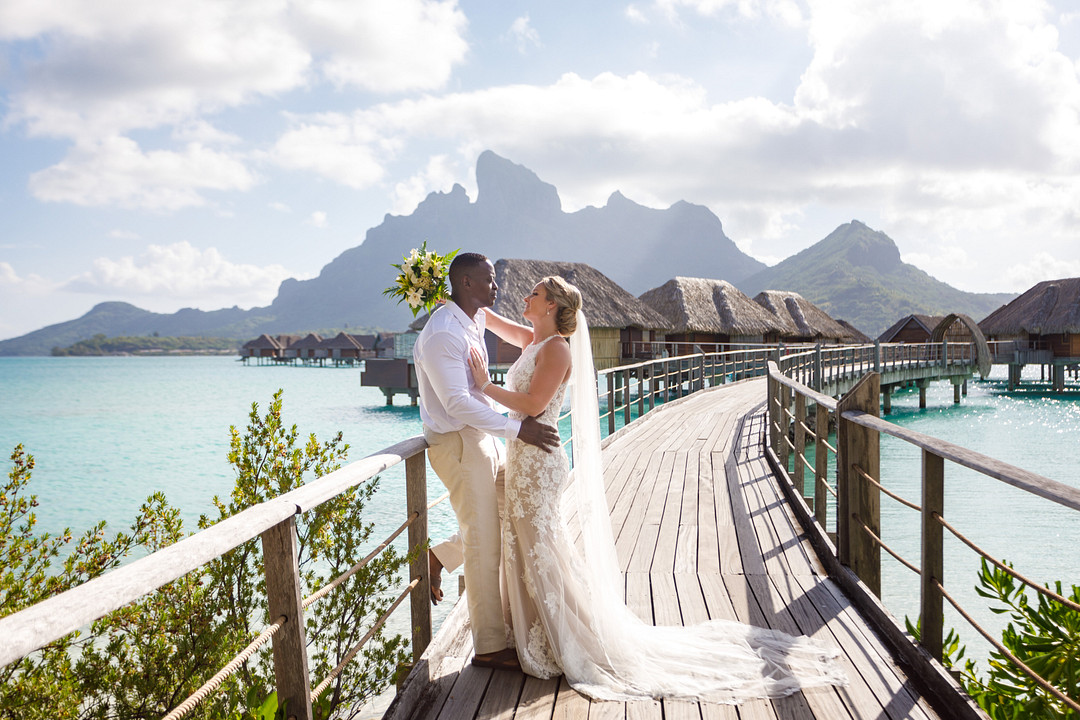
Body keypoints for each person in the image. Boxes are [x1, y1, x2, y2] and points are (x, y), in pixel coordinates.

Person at [467, 275, 847, 703]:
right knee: (525, 544)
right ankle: (530, 630)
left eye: (533, 293)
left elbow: (535, 405)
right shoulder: (535, 340)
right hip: (521, 462)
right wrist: (463, 302)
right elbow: (496, 323)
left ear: (552, 305)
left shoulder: (556, 348)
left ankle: (567, 637)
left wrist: (485, 386)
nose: (525, 296)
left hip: (539, 464)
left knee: (542, 546)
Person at [413, 253, 559, 671]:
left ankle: (439, 555)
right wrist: (517, 430)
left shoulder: (470, 320)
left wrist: (503, 431)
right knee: (483, 540)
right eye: (488, 281)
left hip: (486, 437)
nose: (496, 288)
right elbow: (457, 403)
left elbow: (476, 390)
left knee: (504, 521)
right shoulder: (443, 333)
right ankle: (490, 645)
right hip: (459, 442)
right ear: (465, 282)